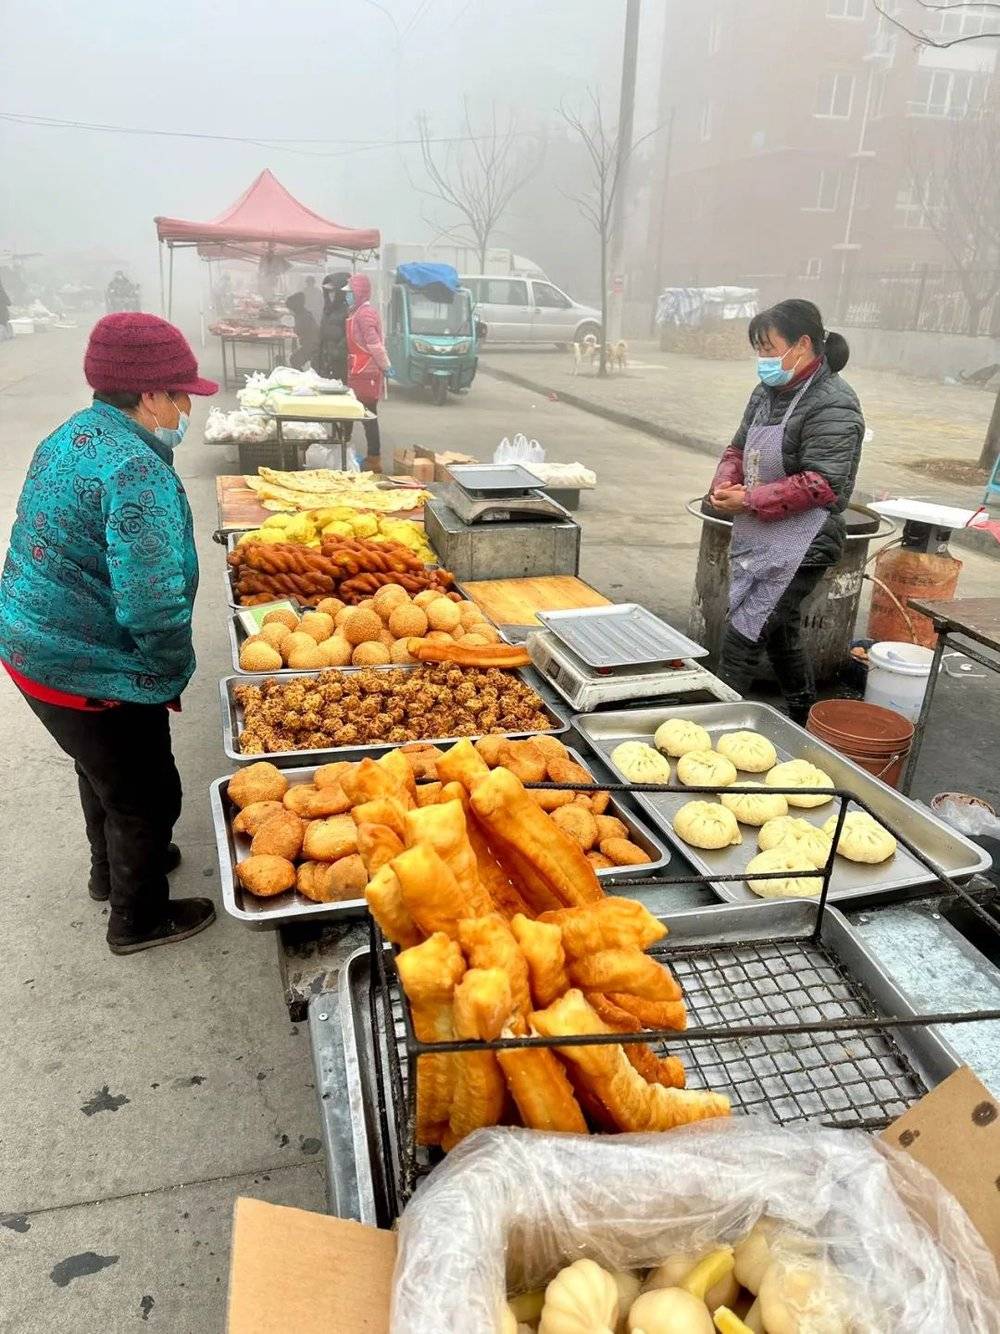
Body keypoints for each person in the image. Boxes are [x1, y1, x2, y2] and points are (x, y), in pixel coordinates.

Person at [0, 313, 219, 954]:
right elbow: (153, 606)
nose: (186, 407)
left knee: (103, 769)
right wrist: (170, 669)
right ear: (150, 395)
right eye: (181, 394)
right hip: (87, 661)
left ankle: (112, 872)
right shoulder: (133, 469)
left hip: (33, 649)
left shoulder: (75, 433)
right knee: (148, 793)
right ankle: (139, 918)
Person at [708, 299, 864, 724]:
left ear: (803, 344)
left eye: (768, 348)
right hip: (765, 532)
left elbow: (823, 483)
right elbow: (737, 448)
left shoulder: (834, 404)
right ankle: (804, 714)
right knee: (780, 630)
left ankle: (717, 728)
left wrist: (751, 500)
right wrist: (725, 481)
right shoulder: (766, 392)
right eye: (757, 350)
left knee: (745, 634)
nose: (762, 360)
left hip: (807, 541)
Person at [345, 273, 392, 472]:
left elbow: (374, 343)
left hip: (366, 373)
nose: (347, 296)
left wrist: (386, 365)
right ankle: (345, 452)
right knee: (349, 414)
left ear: (359, 293)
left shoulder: (365, 313)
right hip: (357, 370)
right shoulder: (355, 312)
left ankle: (374, 459)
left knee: (369, 417)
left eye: (349, 293)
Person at [314, 272, 351, 382]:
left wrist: (336, 352)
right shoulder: (327, 311)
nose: (330, 294)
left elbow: (348, 336)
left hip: (340, 365)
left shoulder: (347, 312)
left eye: (333, 291)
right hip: (325, 364)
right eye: (328, 291)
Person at [285, 291, 319, 370]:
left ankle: (301, 378)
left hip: (312, 345)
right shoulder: (304, 313)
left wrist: (291, 328)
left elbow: (298, 330)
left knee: (294, 359)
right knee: (294, 358)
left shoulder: (303, 316)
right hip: (312, 343)